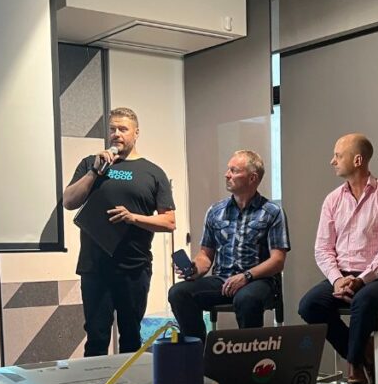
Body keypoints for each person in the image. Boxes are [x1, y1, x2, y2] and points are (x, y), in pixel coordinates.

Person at [64, 107, 176, 356]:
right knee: (96, 336)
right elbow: (69, 201)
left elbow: (169, 222)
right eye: (112, 129)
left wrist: (133, 217)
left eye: (123, 129)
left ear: (136, 133)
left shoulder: (153, 172)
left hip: (134, 269)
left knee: (131, 337)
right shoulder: (90, 164)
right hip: (95, 267)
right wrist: (95, 171)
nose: (116, 134)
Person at [298, 134, 378, 384]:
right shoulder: (332, 200)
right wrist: (337, 280)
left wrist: (361, 280)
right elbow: (322, 248)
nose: (332, 161)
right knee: (309, 305)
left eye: (337, 155)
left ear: (358, 160)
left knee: (364, 300)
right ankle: (358, 351)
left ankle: (354, 363)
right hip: (341, 275)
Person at [168, 150, 290, 341]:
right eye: (228, 169)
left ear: (252, 178)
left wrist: (246, 276)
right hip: (222, 280)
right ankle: (198, 354)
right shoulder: (215, 211)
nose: (227, 174)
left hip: (259, 281)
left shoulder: (272, 212)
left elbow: (278, 261)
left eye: (233, 170)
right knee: (179, 293)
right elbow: (205, 256)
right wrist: (194, 268)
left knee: (246, 299)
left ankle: (249, 361)